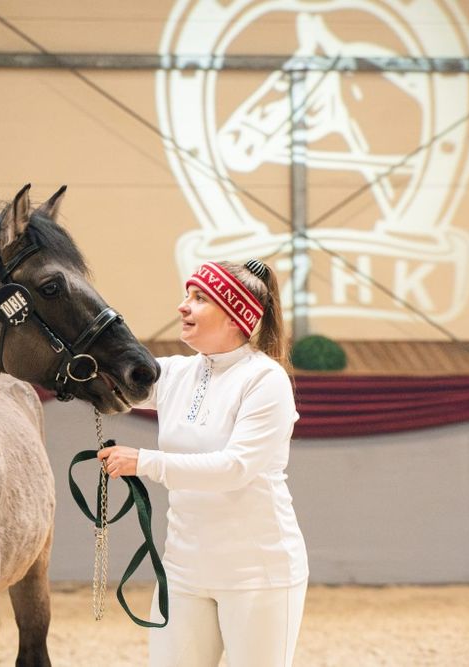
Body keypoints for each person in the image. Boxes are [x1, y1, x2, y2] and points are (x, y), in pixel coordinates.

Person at [98, 258, 308, 667]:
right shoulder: (175, 373)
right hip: (184, 572)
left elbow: (235, 468)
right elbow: (109, 380)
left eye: (199, 298)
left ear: (234, 316)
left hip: (258, 575)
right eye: (187, 295)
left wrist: (144, 462)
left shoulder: (265, 380)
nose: (183, 306)